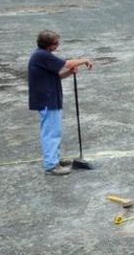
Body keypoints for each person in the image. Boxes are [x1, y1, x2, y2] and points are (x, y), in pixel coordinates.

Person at [27, 30, 93, 175]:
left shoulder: (45, 56)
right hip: (47, 100)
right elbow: (67, 63)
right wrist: (83, 60)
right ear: (48, 44)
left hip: (51, 99)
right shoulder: (41, 55)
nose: (58, 45)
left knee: (55, 131)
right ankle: (51, 165)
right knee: (51, 133)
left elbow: (58, 75)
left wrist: (70, 72)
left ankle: (55, 159)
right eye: (56, 43)